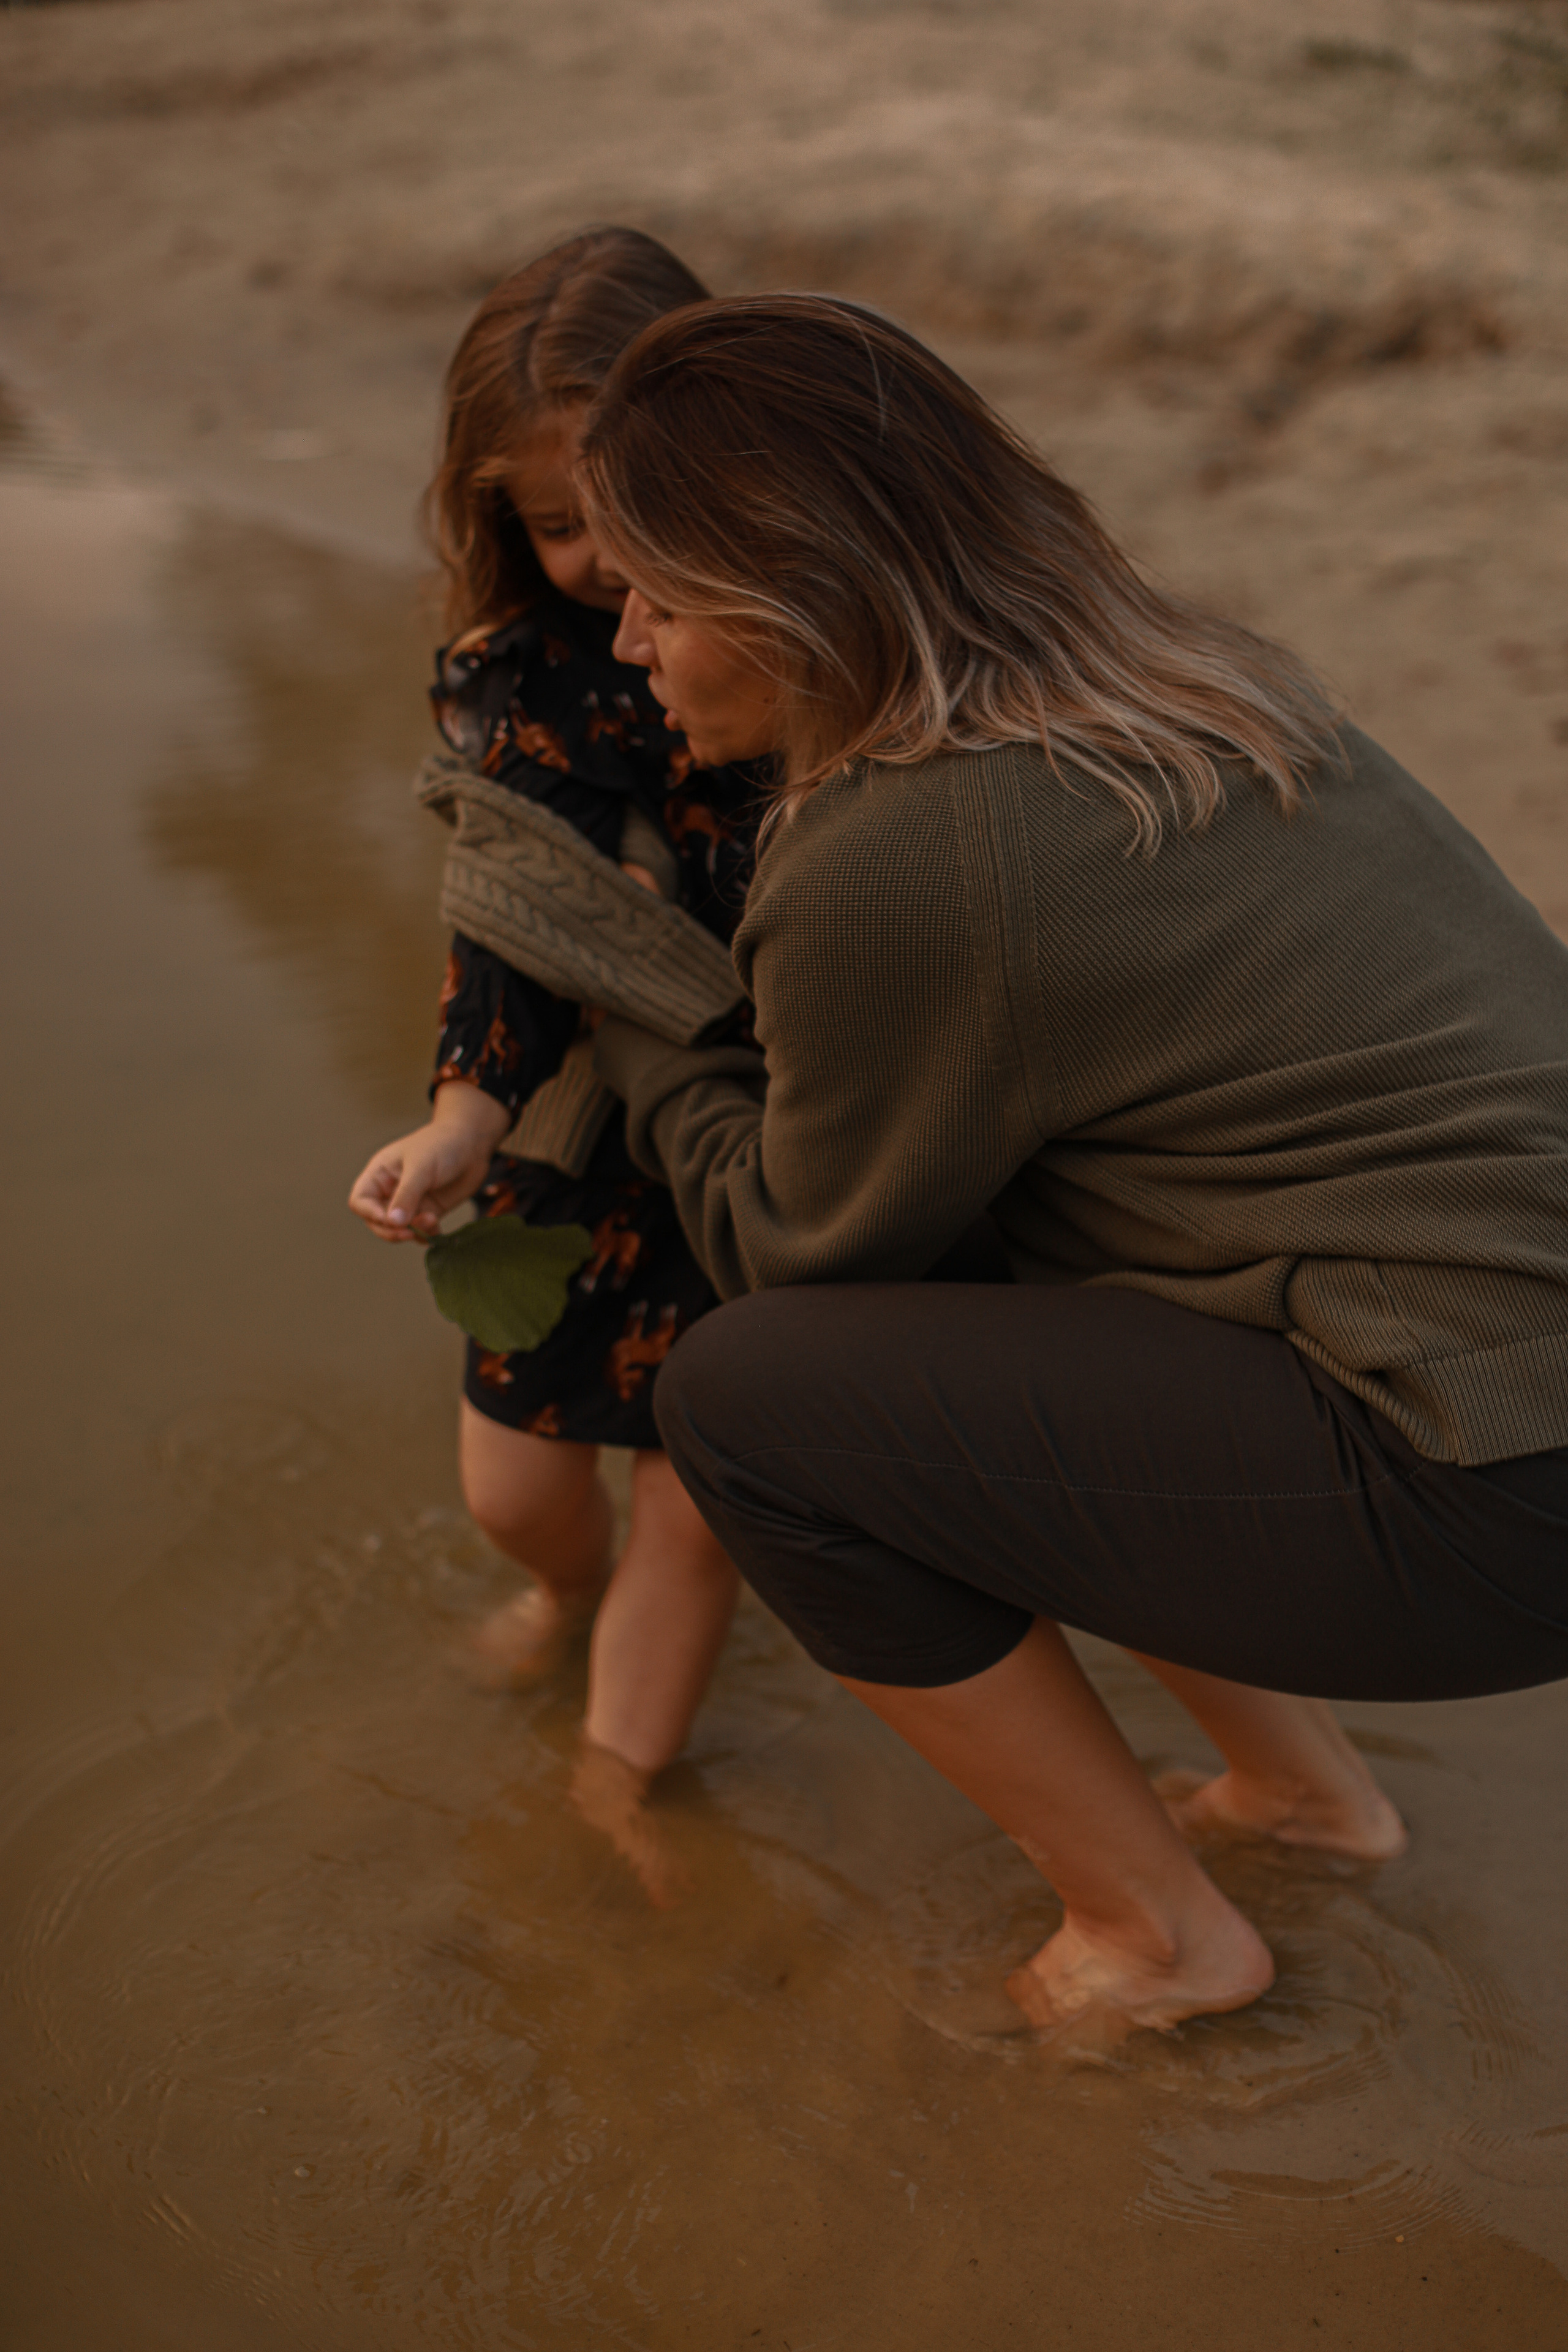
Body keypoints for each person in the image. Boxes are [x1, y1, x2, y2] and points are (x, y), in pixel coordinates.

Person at [567, 292, 1568, 2036]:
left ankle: (1157, 1940)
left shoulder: (912, 839)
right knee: (1003, 1247)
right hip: (1504, 1396)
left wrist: (637, 993)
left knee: (756, 1407)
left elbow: (800, 1258)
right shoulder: (1190, 676)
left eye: (659, 592)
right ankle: (1306, 1803)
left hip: (1491, 1491)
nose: (631, 639)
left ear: (798, 587)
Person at [347, 232, 761, 1887]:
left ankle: (618, 1778)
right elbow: (511, 921)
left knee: (694, 1489)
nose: (598, 562)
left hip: (751, 1124)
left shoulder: (794, 640)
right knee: (518, 1478)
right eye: (555, 521)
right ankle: (559, 1592)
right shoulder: (521, 683)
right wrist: (461, 1118)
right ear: (498, 518)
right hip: (571, 1130)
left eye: (624, 510)